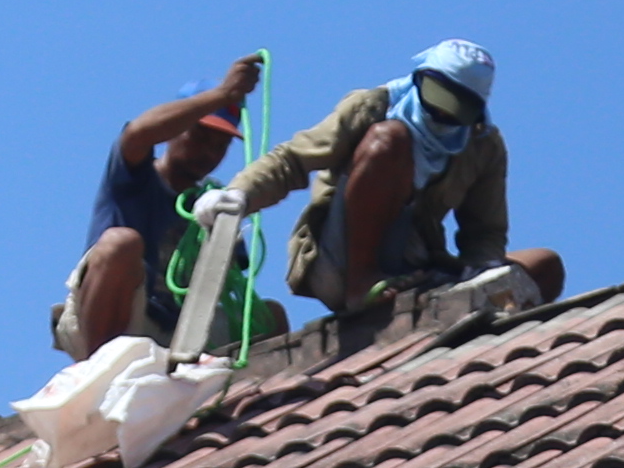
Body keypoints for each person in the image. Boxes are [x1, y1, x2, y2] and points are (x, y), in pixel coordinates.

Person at [241, 40, 566, 328]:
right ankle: (362, 285)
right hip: (341, 261)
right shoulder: (374, 108)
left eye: (457, 108)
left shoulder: (483, 144)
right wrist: (237, 197)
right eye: (436, 95)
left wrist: (482, 273)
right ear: (418, 80)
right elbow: (293, 160)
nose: (441, 114)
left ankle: (459, 321)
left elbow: (485, 232)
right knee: (389, 139)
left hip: (418, 267)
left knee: (543, 267)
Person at [54, 56, 272, 357]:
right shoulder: (134, 176)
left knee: (270, 318)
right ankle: (100, 367)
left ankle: (252, 393)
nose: (208, 151)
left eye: (220, 144)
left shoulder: (216, 203)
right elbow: (138, 133)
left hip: (180, 333)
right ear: (175, 129)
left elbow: (231, 285)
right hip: (122, 319)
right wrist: (222, 96)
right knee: (120, 244)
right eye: (200, 136)